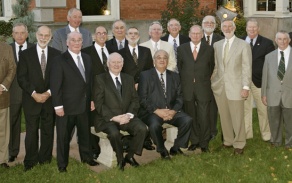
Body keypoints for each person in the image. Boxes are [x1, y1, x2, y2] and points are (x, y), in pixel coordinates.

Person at [50, 32, 98, 173]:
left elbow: (89, 82)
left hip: (84, 105)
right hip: (66, 107)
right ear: (67, 42)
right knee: (63, 137)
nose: (76, 43)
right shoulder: (59, 60)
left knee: (85, 134)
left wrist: (91, 99)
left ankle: (87, 158)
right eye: (73, 40)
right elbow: (55, 85)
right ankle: (62, 165)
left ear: (82, 42)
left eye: (79, 40)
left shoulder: (87, 58)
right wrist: (58, 106)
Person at [93, 52, 147, 171]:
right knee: (114, 134)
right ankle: (120, 159)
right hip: (107, 118)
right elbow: (99, 103)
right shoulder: (100, 79)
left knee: (142, 128)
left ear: (122, 64)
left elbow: (135, 100)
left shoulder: (128, 79)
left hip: (126, 116)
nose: (116, 65)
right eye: (113, 62)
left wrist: (128, 114)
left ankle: (130, 156)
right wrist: (114, 117)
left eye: (119, 62)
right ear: (108, 64)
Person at [17, 26, 61, 171]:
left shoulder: (57, 54)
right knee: (31, 131)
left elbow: (58, 78)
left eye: (46, 35)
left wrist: (48, 93)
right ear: (36, 35)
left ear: (50, 37)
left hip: (49, 99)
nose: (43, 38)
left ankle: (45, 159)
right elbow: (21, 78)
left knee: (48, 130)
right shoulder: (25, 54)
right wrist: (34, 94)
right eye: (41, 35)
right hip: (31, 99)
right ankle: (30, 160)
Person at [138, 49, 192, 159]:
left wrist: (173, 111)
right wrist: (157, 111)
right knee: (154, 125)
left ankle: (176, 147)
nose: (162, 60)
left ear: (167, 61)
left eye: (164, 58)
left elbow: (180, 96)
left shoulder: (175, 76)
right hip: (152, 112)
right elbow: (142, 98)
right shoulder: (145, 75)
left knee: (187, 120)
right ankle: (162, 149)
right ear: (154, 60)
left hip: (171, 111)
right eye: (159, 57)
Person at [211, 20, 252, 155]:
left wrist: (245, 87)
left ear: (234, 28)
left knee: (237, 117)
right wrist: (213, 82)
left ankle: (239, 143)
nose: (227, 29)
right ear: (221, 29)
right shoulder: (217, 45)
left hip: (236, 87)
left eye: (230, 26)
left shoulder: (243, 45)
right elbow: (217, 66)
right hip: (220, 87)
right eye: (224, 27)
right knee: (224, 116)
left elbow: (246, 67)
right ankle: (228, 141)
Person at [177, 25, 214, 152]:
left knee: (204, 116)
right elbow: (180, 67)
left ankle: (204, 143)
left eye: (198, 33)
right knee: (190, 115)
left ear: (202, 35)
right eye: (193, 33)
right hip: (187, 88)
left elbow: (211, 67)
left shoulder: (209, 49)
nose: (196, 35)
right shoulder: (181, 49)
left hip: (203, 87)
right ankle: (195, 140)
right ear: (189, 34)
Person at [118, 27, 154, 151]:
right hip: (128, 89)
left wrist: (143, 83)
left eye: (135, 33)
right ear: (126, 36)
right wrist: (131, 84)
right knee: (132, 113)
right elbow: (120, 72)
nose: (133, 36)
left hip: (145, 89)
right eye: (130, 33)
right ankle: (131, 140)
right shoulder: (121, 53)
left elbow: (150, 70)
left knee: (145, 112)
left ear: (139, 36)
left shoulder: (146, 51)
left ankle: (146, 140)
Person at [243, 18, 274, 141]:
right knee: (245, 109)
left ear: (258, 29)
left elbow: (271, 64)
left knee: (263, 110)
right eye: (249, 27)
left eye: (254, 27)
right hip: (243, 82)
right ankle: (246, 133)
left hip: (259, 82)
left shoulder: (267, 43)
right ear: (246, 28)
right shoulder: (239, 41)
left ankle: (266, 134)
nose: (252, 29)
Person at [82, 25, 110, 160]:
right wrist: (91, 98)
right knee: (92, 122)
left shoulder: (113, 50)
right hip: (94, 94)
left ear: (107, 35)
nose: (102, 35)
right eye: (99, 33)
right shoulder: (86, 52)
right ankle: (94, 148)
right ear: (94, 36)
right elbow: (85, 77)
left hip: (112, 95)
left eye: (104, 33)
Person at [262, 30, 292, 149]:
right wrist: (264, 94)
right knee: (274, 119)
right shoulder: (269, 57)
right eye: (280, 39)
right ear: (276, 40)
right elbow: (265, 77)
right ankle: (276, 141)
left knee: (290, 121)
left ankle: (289, 142)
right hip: (272, 93)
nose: (282, 41)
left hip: (289, 94)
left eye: (285, 39)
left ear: (289, 40)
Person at [9, 23, 34, 163]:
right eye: (16, 33)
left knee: (32, 122)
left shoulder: (33, 48)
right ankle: (12, 151)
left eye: (22, 32)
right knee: (13, 122)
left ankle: (31, 151)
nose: (19, 35)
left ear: (27, 34)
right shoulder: (8, 49)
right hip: (13, 92)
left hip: (31, 92)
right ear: (12, 35)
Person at [201, 15, 224, 140]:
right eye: (206, 22)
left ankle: (213, 130)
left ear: (215, 25)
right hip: (200, 79)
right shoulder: (197, 38)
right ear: (202, 24)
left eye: (212, 22)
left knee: (213, 106)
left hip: (216, 78)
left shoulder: (221, 39)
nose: (209, 24)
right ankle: (202, 129)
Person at [0, 42, 16, 168]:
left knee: (3, 131)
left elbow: (12, 68)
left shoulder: (7, 48)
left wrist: (3, 85)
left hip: (2, 96)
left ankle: (2, 159)